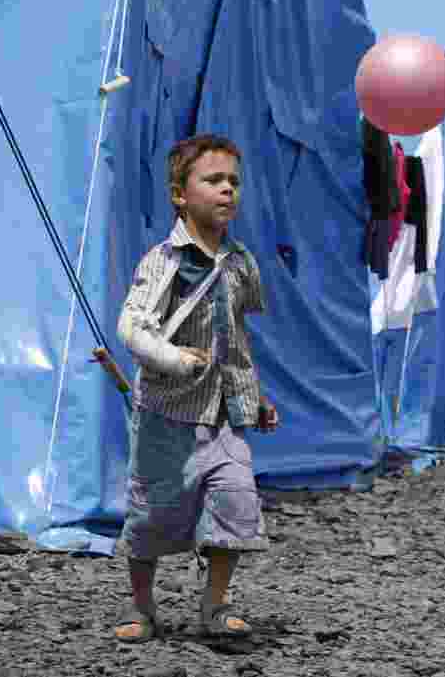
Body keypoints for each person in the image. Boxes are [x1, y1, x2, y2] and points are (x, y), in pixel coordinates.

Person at [114, 134, 279, 643]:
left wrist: (256, 396)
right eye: (213, 180)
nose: (227, 190)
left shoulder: (242, 263)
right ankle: (142, 609)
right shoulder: (162, 261)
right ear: (180, 195)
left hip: (224, 417)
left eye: (234, 181)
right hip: (167, 416)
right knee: (152, 517)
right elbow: (132, 328)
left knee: (235, 500)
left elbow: (238, 334)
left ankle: (215, 606)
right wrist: (173, 358)